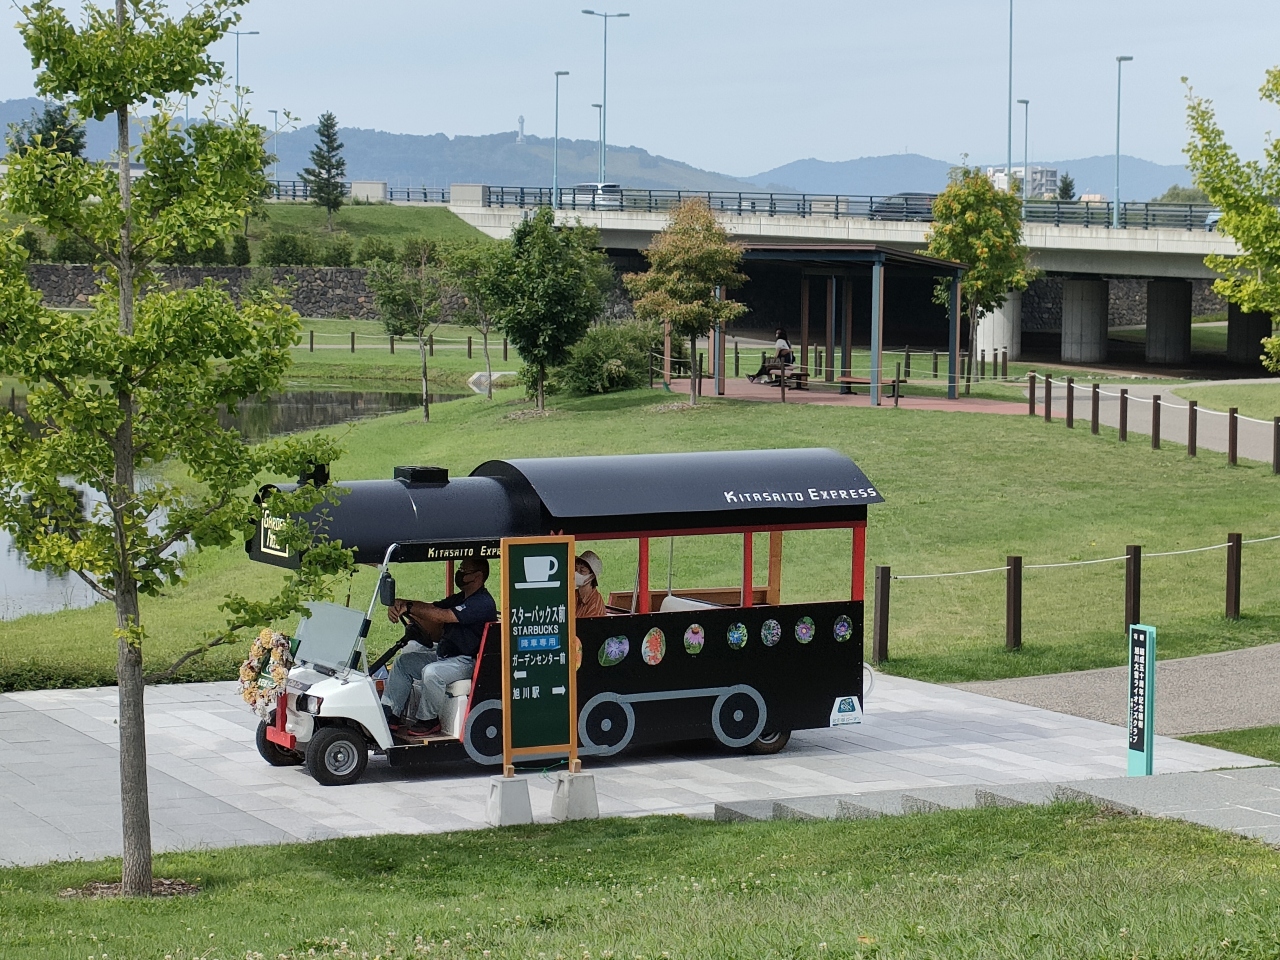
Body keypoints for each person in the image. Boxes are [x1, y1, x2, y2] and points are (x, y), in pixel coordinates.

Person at [380, 556, 497, 737]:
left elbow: (442, 616)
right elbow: (433, 608)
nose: (459, 573)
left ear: (478, 576)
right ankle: (390, 714)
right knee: (404, 663)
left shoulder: (482, 603)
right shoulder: (460, 598)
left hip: (467, 661)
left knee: (432, 673)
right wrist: (401, 604)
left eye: (463, 571)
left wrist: (408, 607)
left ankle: (429, 720)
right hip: (446, 656)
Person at [575, 550, 606, 618]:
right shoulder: (574, 595)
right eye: (576, 569)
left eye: (582, 571)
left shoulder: (595, 604)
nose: (576, 573)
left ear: (592, 576)